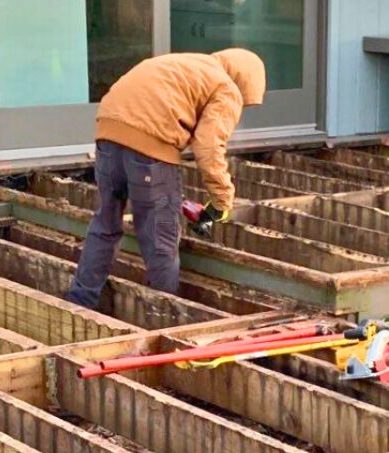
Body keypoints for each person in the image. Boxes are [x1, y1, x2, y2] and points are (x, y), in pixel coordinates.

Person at [65, 48, 266, 308]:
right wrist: (221, 201)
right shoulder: (226, 87)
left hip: (107, 138)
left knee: (105, 225)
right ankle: (162, 313)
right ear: (245, 83)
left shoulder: (186, 64)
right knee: (161, 237)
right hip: (150, 150)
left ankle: (79, 302)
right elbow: (208, 146)